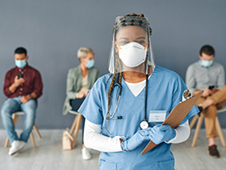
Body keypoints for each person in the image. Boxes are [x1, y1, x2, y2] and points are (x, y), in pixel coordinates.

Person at [78, 13, 199, 169]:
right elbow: (89, 137)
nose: (132, 47)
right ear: (116, 45)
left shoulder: (171, 82)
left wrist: (171, 135)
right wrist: (123, 144)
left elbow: (184, 130)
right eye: (125, 42)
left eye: (140, 41)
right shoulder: (103, 86)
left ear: (148, 44)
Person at [1, 47, 43, 156]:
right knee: (4, 110)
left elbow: (39, 90)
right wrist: (15, 84)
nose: (19, 61)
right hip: (13, 99)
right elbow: (6, 92)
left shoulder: (34, 72)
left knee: (31, 112)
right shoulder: (9, 73)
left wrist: (28, 97)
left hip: (28, 100)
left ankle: (23, 140)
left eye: (21, 59)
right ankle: (14, 141)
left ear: (26, 58)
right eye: (17, 59)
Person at [186, 45, 226, 158]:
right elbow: (188, 89)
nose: (207, 62)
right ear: (200, 56)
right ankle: (212, 144)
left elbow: (222, 88)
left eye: (210, 60)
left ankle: (204, 105)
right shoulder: (192, 68)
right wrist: (201, 91)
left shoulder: (219, 67)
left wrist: (213, 92)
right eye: (205, 60)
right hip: (200, 97)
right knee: (211, 108)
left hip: (216, 97)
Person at [63, 47, 99, 160]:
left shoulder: (95, 71)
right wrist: (77, 94)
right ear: (82, 59)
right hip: (75, 101)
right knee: (87, 108)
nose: (92, 60)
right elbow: (68, 93)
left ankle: (89, 143)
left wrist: (90, 92)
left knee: (88, 107)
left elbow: (96, 89)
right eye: (90, 58)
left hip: (89, 100)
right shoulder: (72, 72)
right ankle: (85, 146)